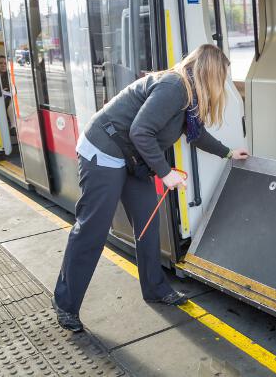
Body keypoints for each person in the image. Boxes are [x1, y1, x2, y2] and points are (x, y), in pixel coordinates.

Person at [52, 44, 249, 332]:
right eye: (221, 78)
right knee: (92, 228)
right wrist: (166, 173)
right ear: (211, 74)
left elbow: (196, 134)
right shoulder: (174, 87)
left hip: (132, 158)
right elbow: (140, 131)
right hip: (104, 151)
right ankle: (65, 303)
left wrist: (228, 153)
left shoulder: (189, 96)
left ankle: (155, 288)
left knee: (147, 222)